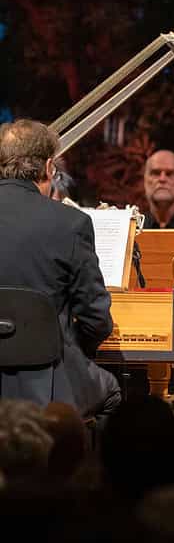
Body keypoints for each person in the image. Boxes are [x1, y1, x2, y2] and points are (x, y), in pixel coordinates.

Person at [0, 119, 117, 418]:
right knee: (112, 392)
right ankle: (76, 464)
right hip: (45, 382)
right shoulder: (70, 223)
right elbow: (96, 319)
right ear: (50, 167)